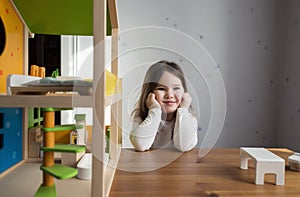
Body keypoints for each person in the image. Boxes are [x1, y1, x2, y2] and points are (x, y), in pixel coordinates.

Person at [130, 60, 198, 152]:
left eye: (176, 88)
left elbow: (184, 146)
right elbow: (141, 145)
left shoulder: (189, 118)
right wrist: (155, 110)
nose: (169, 95)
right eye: (161, 89)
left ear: (184, 93)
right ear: (150, 93)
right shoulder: (142, 117)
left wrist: (184, 109)